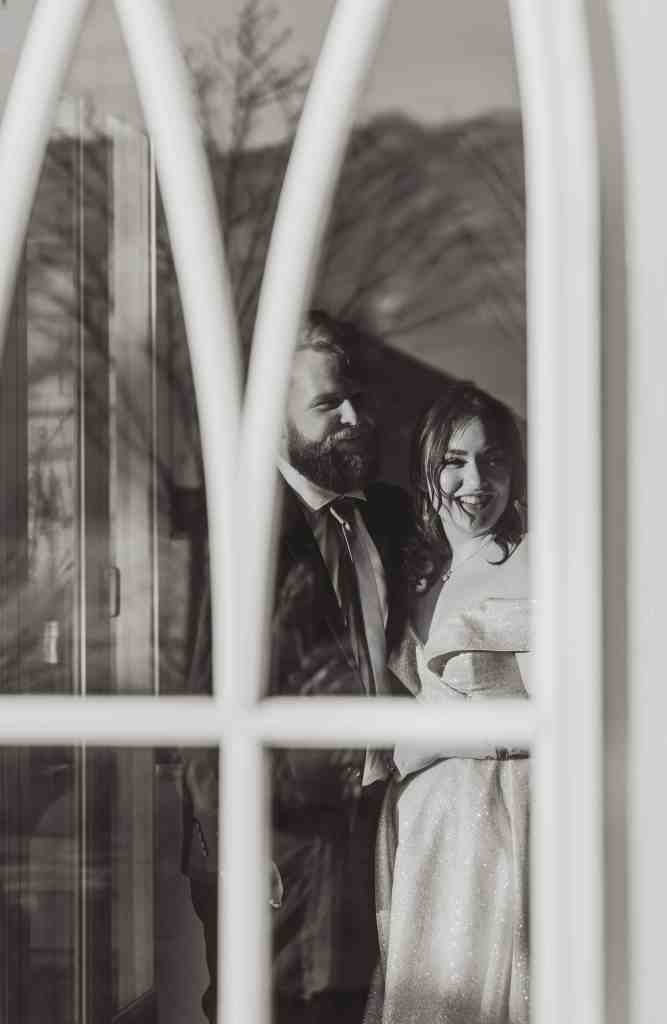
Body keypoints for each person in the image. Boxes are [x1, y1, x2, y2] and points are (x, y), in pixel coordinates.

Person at [181, 310, 412, 1024]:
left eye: (355, 401)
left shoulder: (388, 519)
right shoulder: (242, 532)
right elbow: (204, 706)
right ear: (273, 421)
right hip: (278, 840)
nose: (351, 417)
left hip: (371, 825)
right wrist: (242, 847)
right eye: (324, 406)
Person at [366, 382, 530, 1024]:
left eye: (493, 461)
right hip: (421, 828)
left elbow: (556, 716)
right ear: (427, 472)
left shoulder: (531, 561)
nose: (475, 481)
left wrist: (426, 741)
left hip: (495, 820)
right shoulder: (417, 574)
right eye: (453, 463)